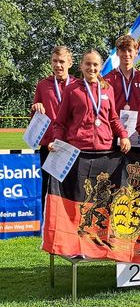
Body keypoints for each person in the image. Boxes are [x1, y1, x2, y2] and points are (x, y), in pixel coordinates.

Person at [51, 49, 131, 154]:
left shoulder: (107, 89)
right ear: (81, 66)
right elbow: (60, 123)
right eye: (87, 64)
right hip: (78, 149)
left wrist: (123, 136)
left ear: (100, 67)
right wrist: (57, 141)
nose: (91, 68)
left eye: (95, 64)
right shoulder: (71, 90)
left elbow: (113, 119)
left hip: (105, 148)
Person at [31, 46, 76, 216]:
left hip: (70, 145)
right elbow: (34, 115)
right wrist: (36, 107)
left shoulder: (77, 85)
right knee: (48, 186)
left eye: (62, 61)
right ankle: (46, 224)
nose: (58, 65)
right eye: (55, 61)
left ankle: (69, 223)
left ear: (70, 63)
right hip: (49, 145)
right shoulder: (43, 85)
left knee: (70, 187)